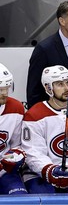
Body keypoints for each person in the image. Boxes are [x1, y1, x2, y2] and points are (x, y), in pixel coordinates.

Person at [21, 65, 68, 193]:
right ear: (48, 88)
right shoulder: (34, 115)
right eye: (60, 84)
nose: (66, 88)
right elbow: (34, 153)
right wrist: (51, 172)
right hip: (41, 175)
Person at [0, 63, 28, 194]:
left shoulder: (16, 108)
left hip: (4, 171)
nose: (5, 93)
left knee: (20, 198)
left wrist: (15, 156)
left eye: (7, 88)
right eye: (0, 89)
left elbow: (18, 144)